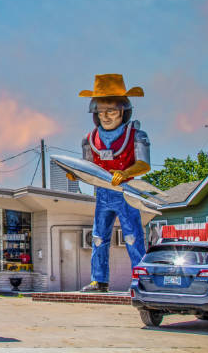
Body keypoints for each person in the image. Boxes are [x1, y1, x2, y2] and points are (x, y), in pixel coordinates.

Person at [71, 74, 151, 292]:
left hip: (126, 192)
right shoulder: (89, 139)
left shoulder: (135, 135)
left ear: (123, 111)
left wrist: (125, 173)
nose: (105, 116)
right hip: (102, 194)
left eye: (112, 111)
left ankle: (140, 281)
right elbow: (88, 167)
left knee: (133, 238)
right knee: (98, 238)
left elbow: (144, 164)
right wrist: (75, 174)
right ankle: (99, 280)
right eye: (101, 111)